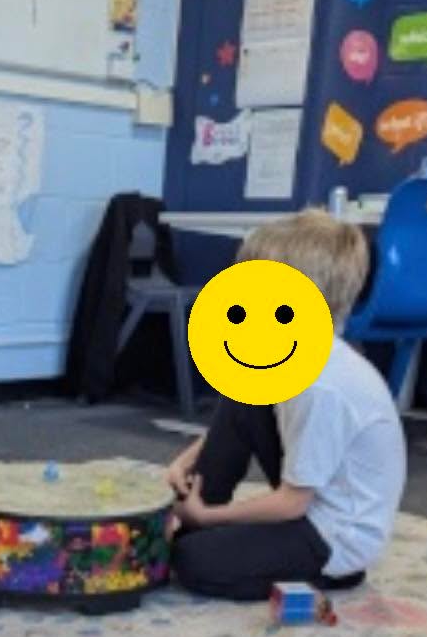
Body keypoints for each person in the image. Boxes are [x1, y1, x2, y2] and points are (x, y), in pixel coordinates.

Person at [167, 209, 407, 600]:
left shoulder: (321, 383)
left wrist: (212, 518)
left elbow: (292, 504)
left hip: (335, 537)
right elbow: (238, 416)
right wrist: (186, 462)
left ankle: (325, 574)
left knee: (192, 562)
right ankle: (197, 516)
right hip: (310, 505)